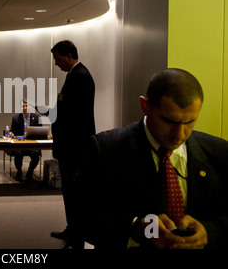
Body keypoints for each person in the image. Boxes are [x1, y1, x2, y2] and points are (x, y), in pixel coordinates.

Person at [77, 68, 228, 249]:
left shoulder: (220, 152)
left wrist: (209, 232)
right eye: (169, 121)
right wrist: (139, 229)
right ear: (145, 106)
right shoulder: (106, 150)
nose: (179, 134)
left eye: (189, 122)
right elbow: (82, 218)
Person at [47, 40, 96, 247]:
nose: (57, 64)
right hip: (72, 146)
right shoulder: (75, 76)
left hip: (75, 147)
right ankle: (73, 229)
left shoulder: (80, 76)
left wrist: (53, 112)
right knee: (70, 192)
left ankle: (77, 235)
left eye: (58, 59)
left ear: (69, 55)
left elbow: (74, 116)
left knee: (75, 193)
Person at [8, 101, 42, 182]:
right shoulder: (16, 118)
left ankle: (30, 172)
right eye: (23, 106)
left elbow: (40, 131)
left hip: (32, 144)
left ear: (30, 107)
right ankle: (19, 172)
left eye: (26, 106)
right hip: (20, 143)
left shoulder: (37, 117)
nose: (25, 108)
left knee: (36, 154)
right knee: (18, 154)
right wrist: (11, 133)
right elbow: (13, 132)